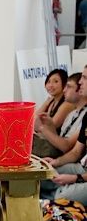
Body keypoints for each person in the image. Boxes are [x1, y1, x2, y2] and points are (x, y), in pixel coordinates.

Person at [44, 69, 87, 205]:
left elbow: (66, 146)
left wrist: (75, 178)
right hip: (81, 167)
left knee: (62, 195)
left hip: (81, 172)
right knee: (40, 176)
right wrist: (54, 162)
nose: (81, 82)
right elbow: (75, 152)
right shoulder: (81, 115)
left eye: (85, 78)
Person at [35, 71, 86, 159]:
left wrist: (42, 128)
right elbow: (59, 141)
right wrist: (49, 125)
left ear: (80, 90)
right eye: (48, 81)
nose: (64, 90)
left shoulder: (71, 108)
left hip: (69, 158)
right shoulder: (72, 114)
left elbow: (66, 147)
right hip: (60, 154)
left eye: (69, 86)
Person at [32, 68, 74, 157]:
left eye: (56, 81)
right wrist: (46, 103)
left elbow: (51, 125)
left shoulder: (67, 104)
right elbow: (33, 117)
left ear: (64, 84)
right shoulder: (51, 101)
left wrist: (39, 127)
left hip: (55, 146)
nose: (51, 85)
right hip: (46, 141)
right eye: (49, 81)